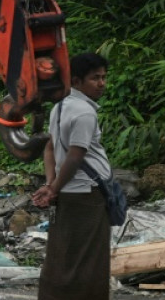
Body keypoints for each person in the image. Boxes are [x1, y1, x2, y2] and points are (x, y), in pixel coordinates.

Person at [32, 52, 111, 300]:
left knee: (62, 256)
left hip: (68, 193)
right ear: (76, 81)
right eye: (95, 78)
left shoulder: (60, 107)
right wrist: (53, 188)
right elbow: (75, 156)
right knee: (90, 261)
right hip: (87, 195)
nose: (101, 84)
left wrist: (50, 184)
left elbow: (49, 148)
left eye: (103, 77)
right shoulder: (85, 113)